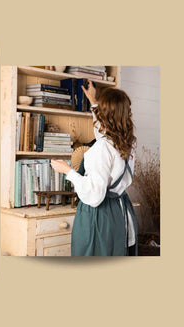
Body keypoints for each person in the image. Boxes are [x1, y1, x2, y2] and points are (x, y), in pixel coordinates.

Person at [51, 80, 137, 256]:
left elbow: (94, 195)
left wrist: (67, 171)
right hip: (118, 214)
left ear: (106, 116)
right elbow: (102, 134)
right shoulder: (125, 143)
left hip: (99, 216)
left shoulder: (102, 148)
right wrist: (94, 102)